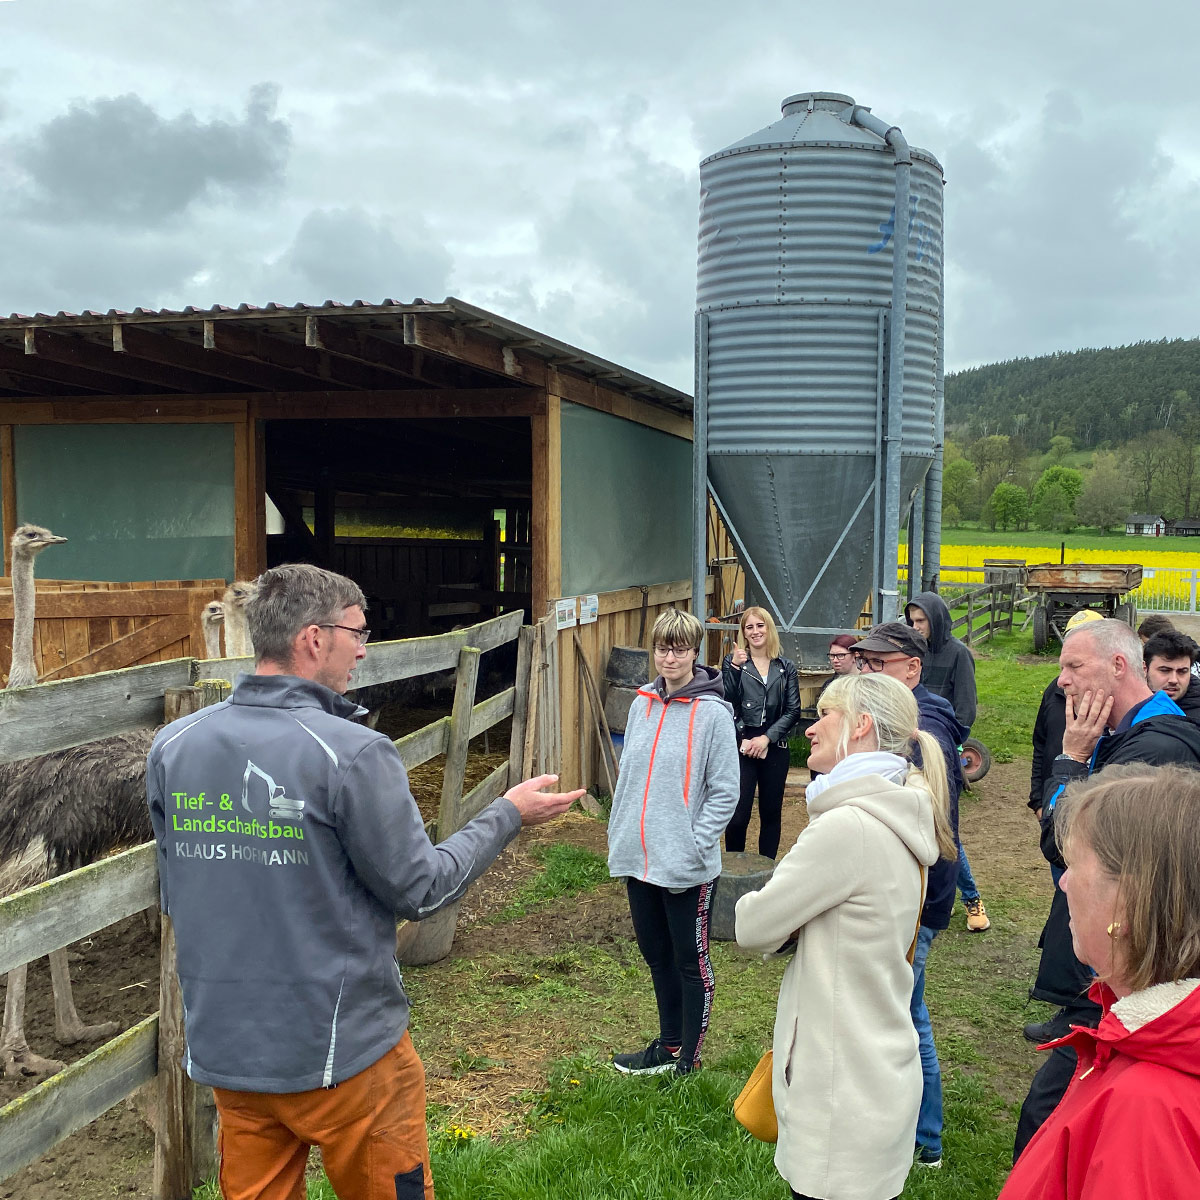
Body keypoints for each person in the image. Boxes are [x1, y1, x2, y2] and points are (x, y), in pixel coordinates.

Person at [146, 563, 582, 1200]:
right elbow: (423, 889)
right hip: (343, 1054)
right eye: (358, 632)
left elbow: (178, 892)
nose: (364, 648)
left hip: (232, 1057)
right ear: (314, 640)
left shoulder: (173, 746)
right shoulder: (351, 752)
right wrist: (507, 814)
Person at [735, 673, 954, 1200]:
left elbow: (752, 925)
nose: (811, 728)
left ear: (860, 727)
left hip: (838, 1097)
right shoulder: (902, 809)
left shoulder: (847, 827)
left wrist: (780, 912)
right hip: (875, 1078)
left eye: (825, 714)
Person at [1016, 617, 1200, 1158]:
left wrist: (1071, 758)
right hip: (1120, 969)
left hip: (1138, 968)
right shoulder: (1126, 737)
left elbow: (1061, 843)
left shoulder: (1157, 752)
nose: (1062, 681)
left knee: (1049, 1117)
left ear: (1118, 666)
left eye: (1073, 666)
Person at [999, 763, 1200, 1199]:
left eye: (1073, 865)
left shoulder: (1146, 1111)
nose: (1064, 882)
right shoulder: (1142, 1037)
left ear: (1128, 902)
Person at [607, 608, 739, 1076]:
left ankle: (690, 1056)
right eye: (663, 647)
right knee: (656, 955)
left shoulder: (713, 715)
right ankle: (666, 1046)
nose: (670, 656)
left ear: (695, 652)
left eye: (680, 648)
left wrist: (695, 844)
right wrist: (619, 831)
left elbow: (725, 791)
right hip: (640, 858)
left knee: (690, 961)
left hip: (686, 864)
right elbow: (629, 777)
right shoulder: (642, 703)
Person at [852, 621, 964, 1169]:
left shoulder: (925, 727)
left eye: (877, 663)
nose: (864, 671)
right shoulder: (912, 718)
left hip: (918, 899)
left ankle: (925, 1139)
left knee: (903, 1015)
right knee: (906, 1008)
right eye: (862, 662)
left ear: (911, 669)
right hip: (910, 895)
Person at [905, 592, 989, 933]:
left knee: (944, 831)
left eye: (921, 621)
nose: (916, 627)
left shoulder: (958, 654)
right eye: (911, 621)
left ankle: (971, 900)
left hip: (941, 751)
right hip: (909, 750)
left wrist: (945, 744)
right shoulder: (913, 654)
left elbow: (966, 707)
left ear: (936, 619)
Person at [721, 606, 801, 858]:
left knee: (771, 813)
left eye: (760, 625)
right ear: (743, 633)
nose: (755, 632)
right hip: (742, 744)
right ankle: (735, 866)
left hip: (774, 746)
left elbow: (793, 710)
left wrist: (767, 738)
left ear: (769, 628)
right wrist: (734, 667)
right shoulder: (734, 663)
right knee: (738, 815)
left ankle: (766, 871)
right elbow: (727, 701)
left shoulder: (785, 667)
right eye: (749, 627)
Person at [1028, 611, 1104, 819]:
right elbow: (1041, 745)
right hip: (1056, 804)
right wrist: (1038, 800)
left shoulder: (1112, 701)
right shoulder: (1055, 689)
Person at [1142, 628, 1200, 718]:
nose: (1173, 680)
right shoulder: (1125, 704)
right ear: (1145, 669)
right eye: (1165, 670)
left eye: (1182, 672)